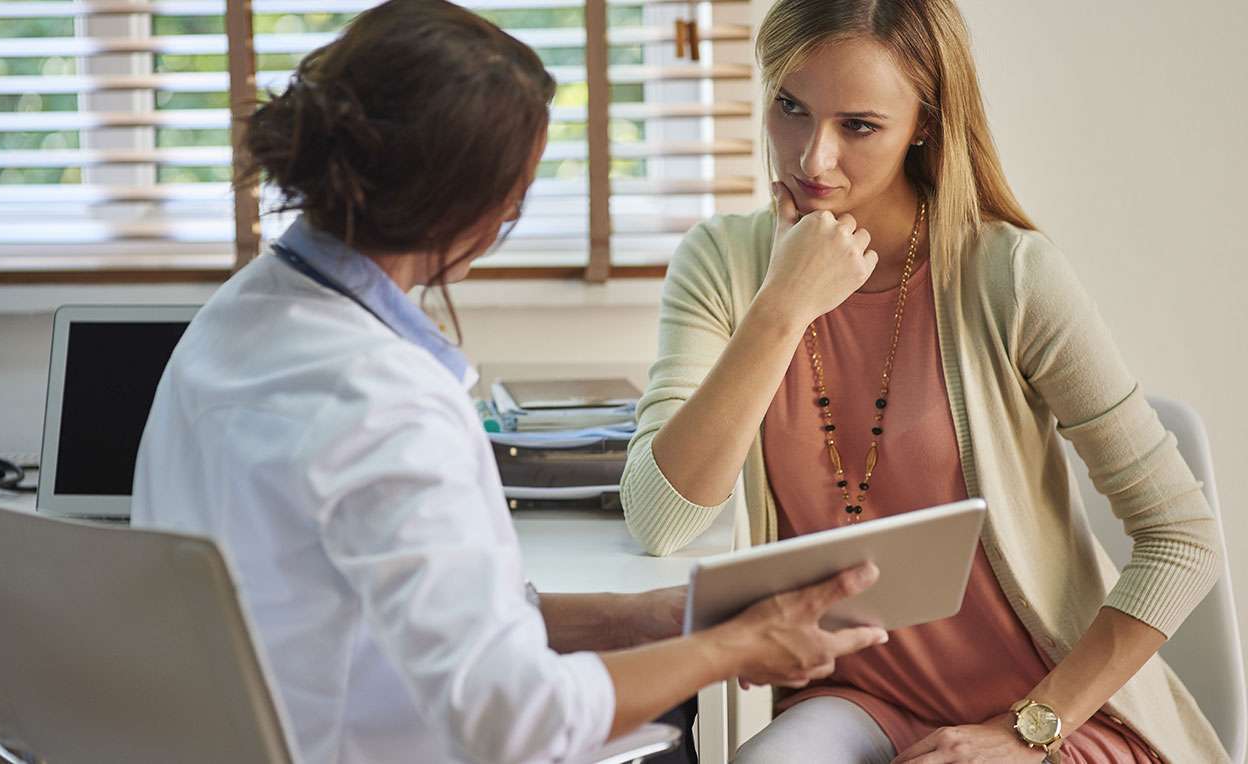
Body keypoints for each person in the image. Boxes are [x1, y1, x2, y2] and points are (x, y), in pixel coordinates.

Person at [129, 2, 892, 763]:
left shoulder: (233, 321)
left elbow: (443, 616)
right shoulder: (387, 405)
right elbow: (517, 719)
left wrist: (643, 619)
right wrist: (732, 649)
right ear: (474, 210)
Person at [618, 0, 1227, 762]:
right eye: (790, 108)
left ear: (926, 123)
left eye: (859, 127)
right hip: (858, 700)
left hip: (1050, 710)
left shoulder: (1008, 274)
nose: (812, 159)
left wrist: (1028, 730)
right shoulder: (724, 265)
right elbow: (659, 518)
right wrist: (782, 306)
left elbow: (1183, 538)